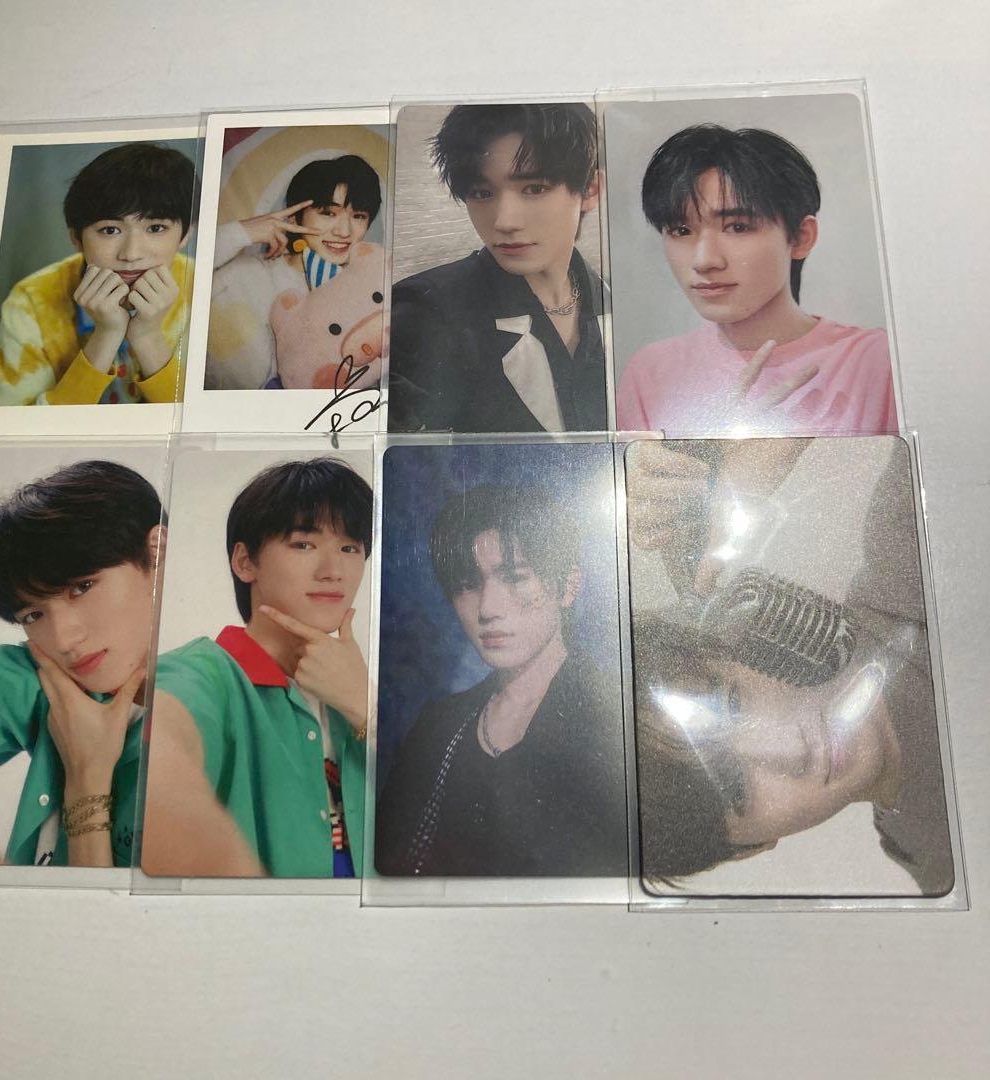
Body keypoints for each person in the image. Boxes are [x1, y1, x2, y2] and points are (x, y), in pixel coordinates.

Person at [629, 440, 953, 896]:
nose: (790, 749)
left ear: (728, 642)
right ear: (749, 849)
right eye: (739, 793)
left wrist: (760, 445)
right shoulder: (930, 862)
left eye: (732, 703)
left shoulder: (914, 529)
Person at [0, 460, 166, 867]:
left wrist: (87, 782)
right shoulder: (55, 686)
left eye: (82, 587)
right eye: (33, 615)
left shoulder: (229, 707)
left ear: (157, 551)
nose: (63, 639)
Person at [375, 485, 628, 877]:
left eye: (515, 577)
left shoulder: (617, 717)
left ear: (568, 587)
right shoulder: (438, 725)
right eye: (467, 584)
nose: (488, 608)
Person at [142, 458, 373, 878]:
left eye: (350, 548)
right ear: (245, 562)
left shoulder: (362, 690)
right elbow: (164, 731)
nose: (333, 572)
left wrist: (365, 708)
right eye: (303, 544)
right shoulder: (203, 674)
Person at [615, 124, 898, 436]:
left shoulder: (878, 360)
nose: (704, 260)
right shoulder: (651, 371)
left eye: (737, 227)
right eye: (681, 231)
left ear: (801, 237)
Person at [387, 102, 607, 434]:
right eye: (482, 193)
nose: (504, 221)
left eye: (534, 189)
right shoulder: (427, 311)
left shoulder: (619, 306)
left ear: (590, 190)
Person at [0, 142, 197, 407]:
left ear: (185, 234)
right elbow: (18, 428)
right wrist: (106, 334)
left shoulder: (205, 288)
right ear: (76, 239)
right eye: (110, 230)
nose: (131, 254)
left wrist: (147, 337)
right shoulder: (31, 300)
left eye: (156, 228)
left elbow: (207, 424)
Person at [206, 154, 384, 389]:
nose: (344, 231)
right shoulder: (248, 274)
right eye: (328, 213)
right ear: (294, 217)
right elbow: (182, 273)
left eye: (358, 216)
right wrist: (242, 232)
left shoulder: (367, 289)